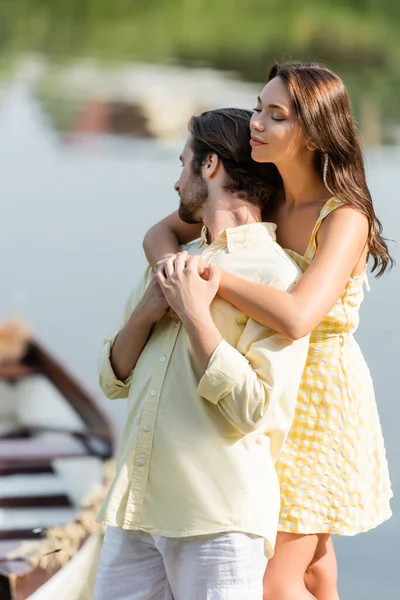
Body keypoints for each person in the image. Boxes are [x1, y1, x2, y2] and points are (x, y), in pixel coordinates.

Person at [143, 62, 393, 600]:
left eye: (274, 116)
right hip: (266, 379)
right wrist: (173, 272)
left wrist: (211, 278)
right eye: (259, 107)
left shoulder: (344, 217)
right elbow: (161, 230)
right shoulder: (266, 192)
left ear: (313, 131)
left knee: (274, 580)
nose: (256, 122)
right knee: (315, 564)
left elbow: (300, 316)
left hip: (317, 400)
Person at [93, 108, 309, 600]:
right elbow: (113, 379)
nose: (176, 183)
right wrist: (146, 312)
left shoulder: (277, 278)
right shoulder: (172, 265)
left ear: (210, 166)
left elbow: (255, 408)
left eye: (183, 163)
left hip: (218, 521)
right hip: (136, 513)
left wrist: (195, 317)